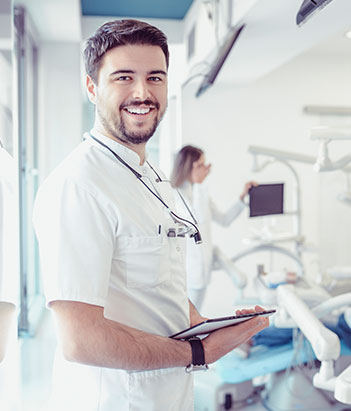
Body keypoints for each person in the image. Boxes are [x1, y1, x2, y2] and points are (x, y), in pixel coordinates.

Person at [33, 19, 269, 411]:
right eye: (123, 77)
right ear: (92, 88)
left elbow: (161, 293)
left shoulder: (152, 178)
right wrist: (198, 352)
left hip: (167, 397)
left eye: (155, 78)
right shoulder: (78, 186)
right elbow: (80, 340)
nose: (142, 93)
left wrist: (220, 330)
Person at [171, 145, 256, 310]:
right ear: (188, 166)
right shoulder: (175, 195)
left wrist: (243, 196)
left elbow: (224, 220)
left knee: (194, 317)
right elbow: (197, 219)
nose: (205, 169)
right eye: (200, 165)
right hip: (189, 273)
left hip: (203, 271)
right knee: (187, 321)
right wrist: (200, 185)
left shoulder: (198, 193)